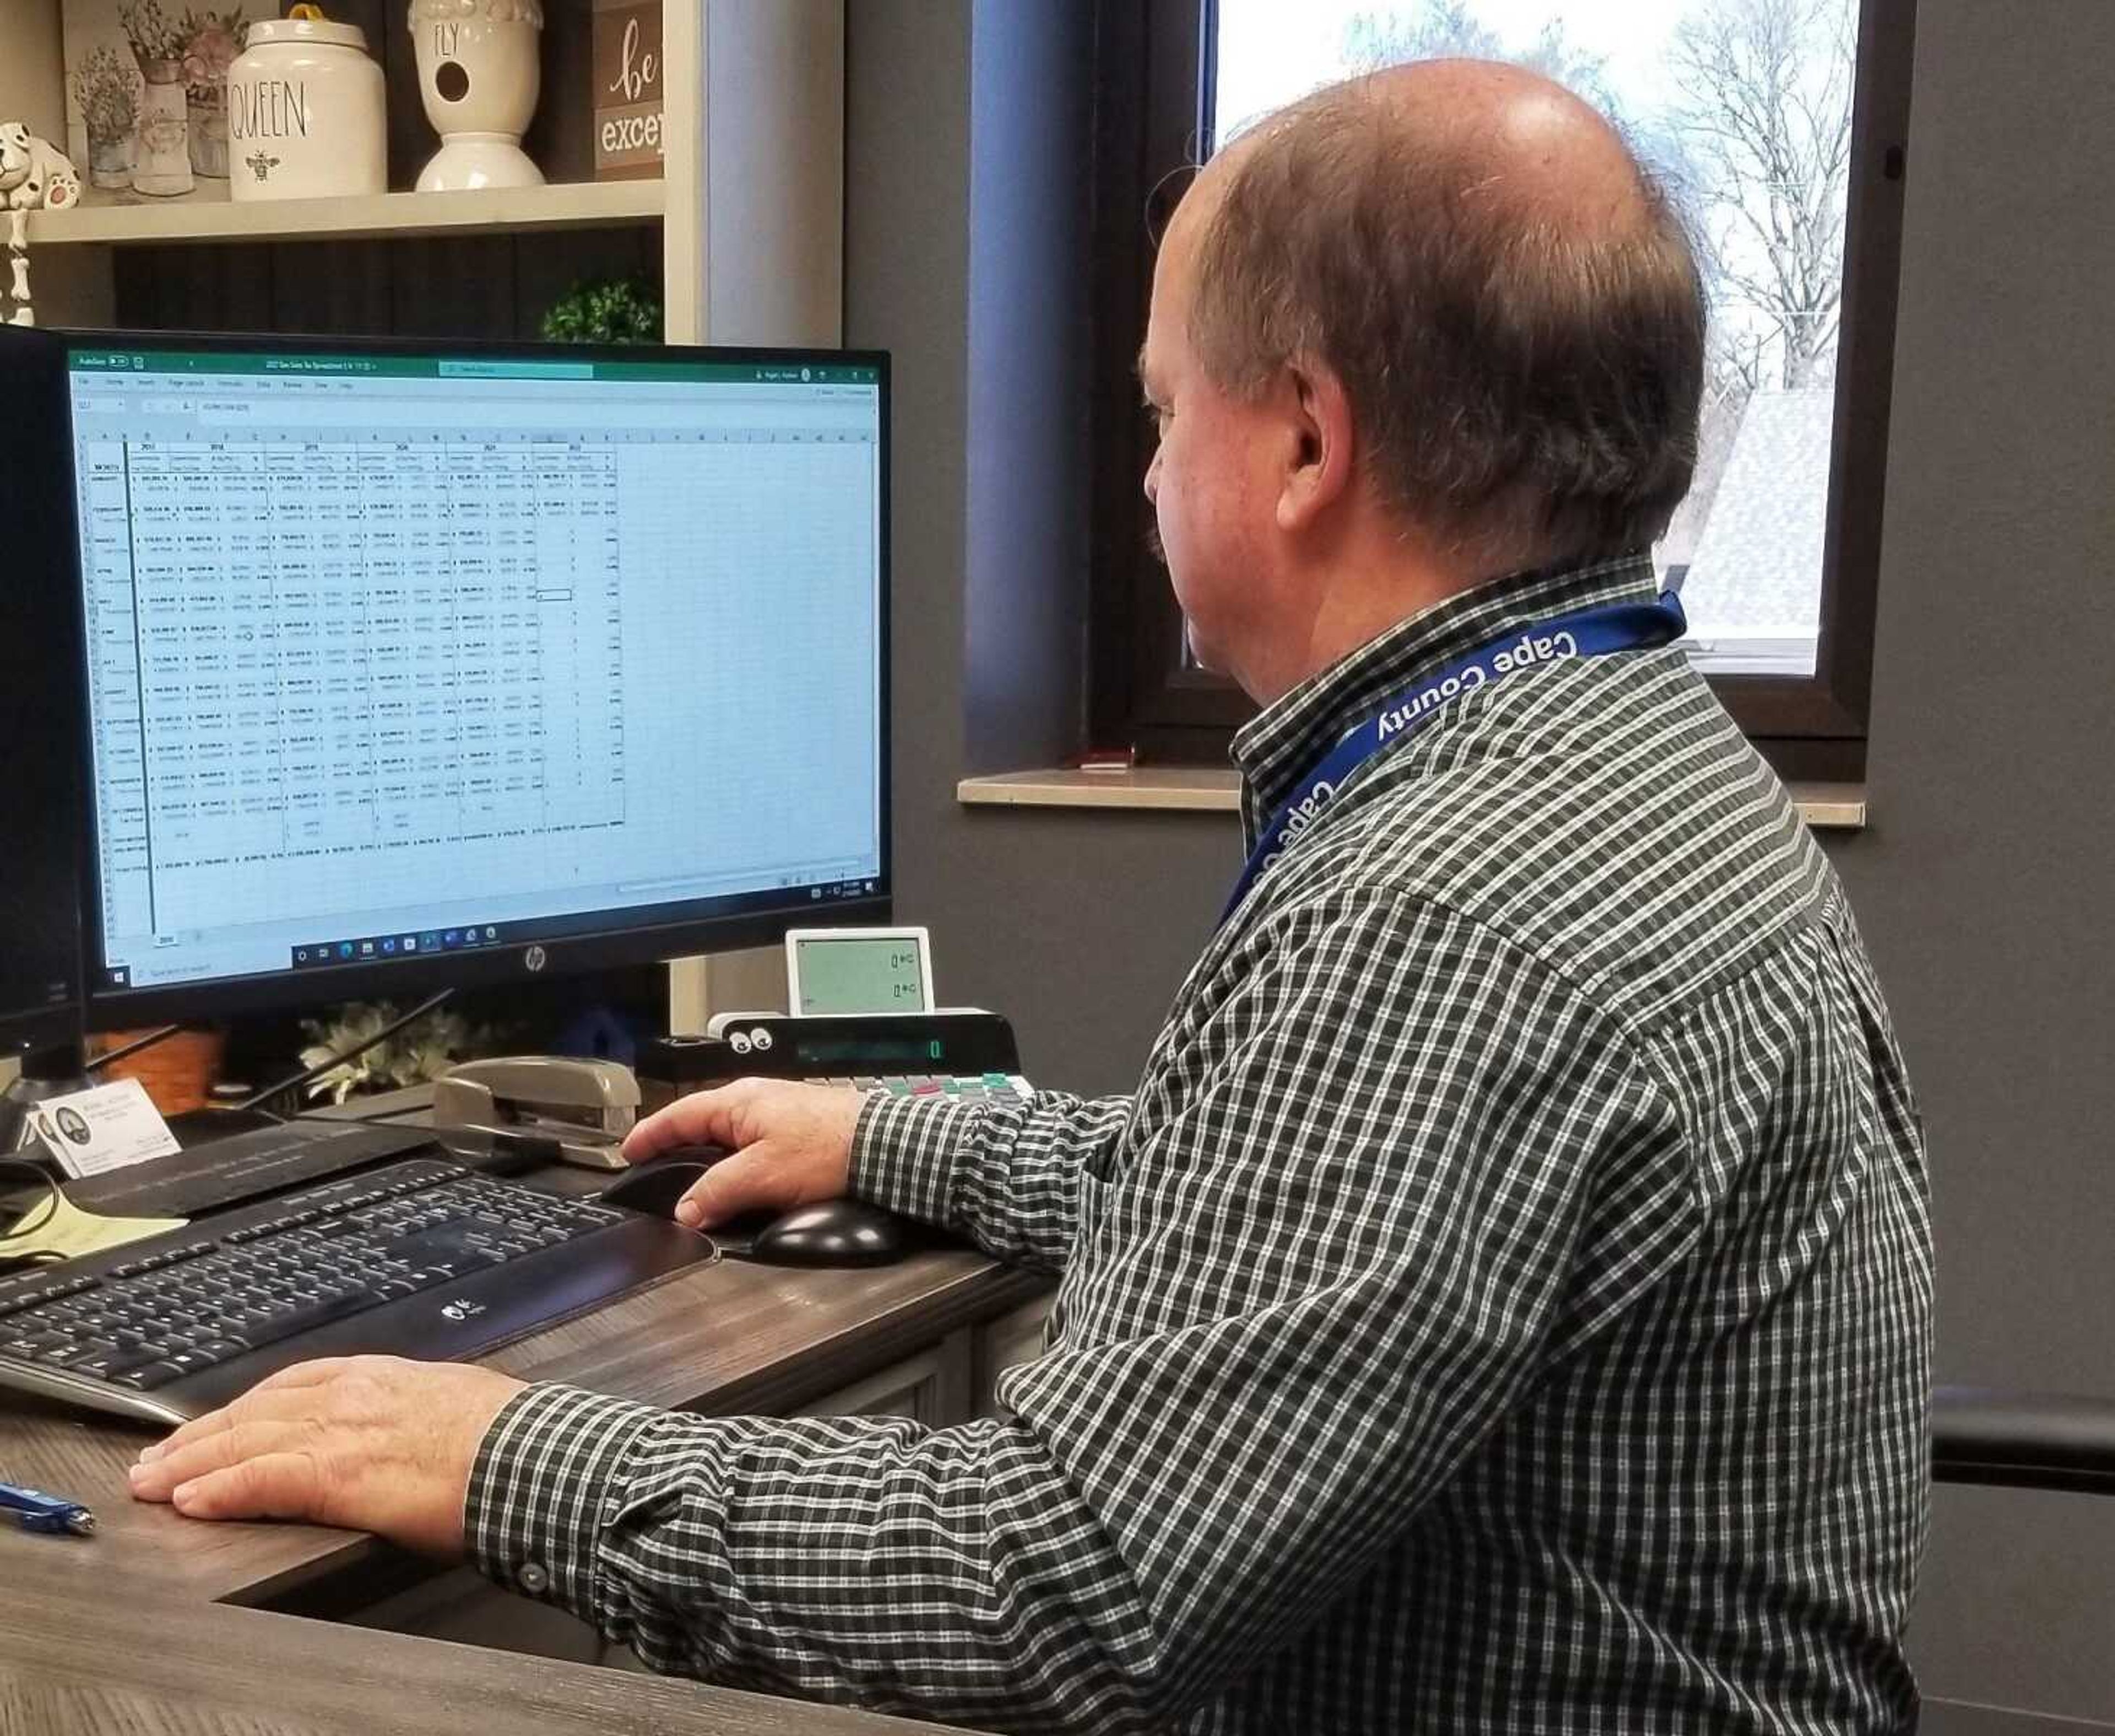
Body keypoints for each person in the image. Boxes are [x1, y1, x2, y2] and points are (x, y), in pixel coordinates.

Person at [129, 59, 1932, 1734]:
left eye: (1160, 411)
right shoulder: (1616, 749)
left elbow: (1057, 1589)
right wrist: (897, 1134)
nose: (1146, 474)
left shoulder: (1443, 906)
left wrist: (506, 1456)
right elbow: (1305, 1217)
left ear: (1306, 442)